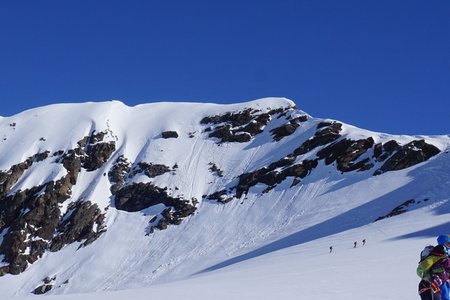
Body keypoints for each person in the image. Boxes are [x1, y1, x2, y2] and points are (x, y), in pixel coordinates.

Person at [437, 235, 450, 299]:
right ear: (442, 243)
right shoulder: (440, 252)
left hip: (446, 276)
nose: (449, 244)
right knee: (444, 294)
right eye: (447, 243)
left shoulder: (448, 252)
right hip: (441, 277)